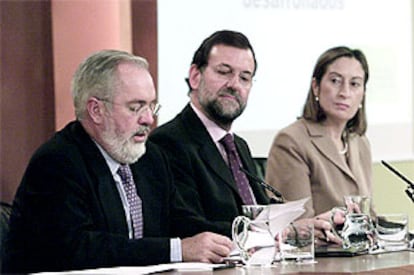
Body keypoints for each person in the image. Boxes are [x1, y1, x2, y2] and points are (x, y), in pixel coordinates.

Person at [3, 50, 233, 273]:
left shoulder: (151, 158)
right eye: (135, 107)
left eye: (151, 105)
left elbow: (181, 221)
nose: (148, 119)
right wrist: (176, 250)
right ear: (96, 110)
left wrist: (244, 233)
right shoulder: (57, 162)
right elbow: (78, 249)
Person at [265, 46, 373, 224]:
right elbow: (296, 227)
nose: (344, 93)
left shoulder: (360, 142)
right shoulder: (291, 141)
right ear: (316, 87)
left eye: (354, 84)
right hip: (318, 251)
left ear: (362, 94)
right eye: (335, 81)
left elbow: (370, 216)